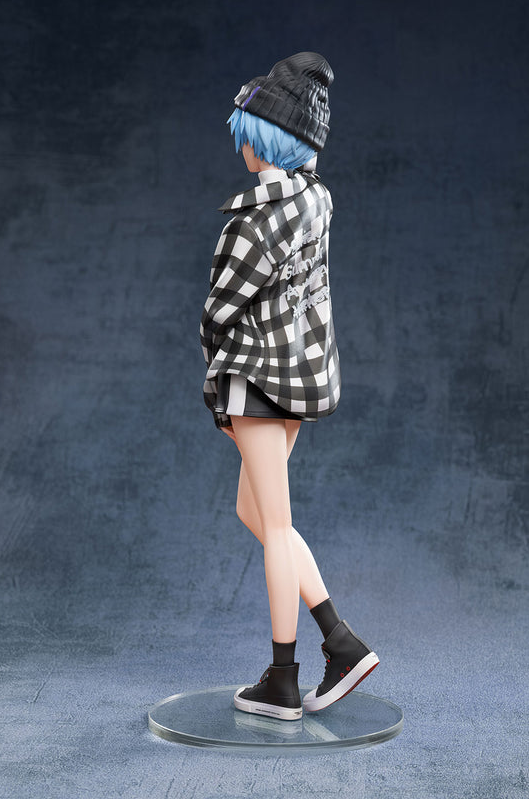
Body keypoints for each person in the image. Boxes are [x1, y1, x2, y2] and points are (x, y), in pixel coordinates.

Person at [200, 52, 379, 721]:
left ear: (264, 135)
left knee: (273, 526)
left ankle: (283, 677)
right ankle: (339, 638)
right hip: (298, 380)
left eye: (245, 131)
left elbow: (218, 312)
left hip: (255, 379)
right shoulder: (314, 201)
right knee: (255, 511)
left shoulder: (254, 220)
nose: (239, 144)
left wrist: (217, 388)